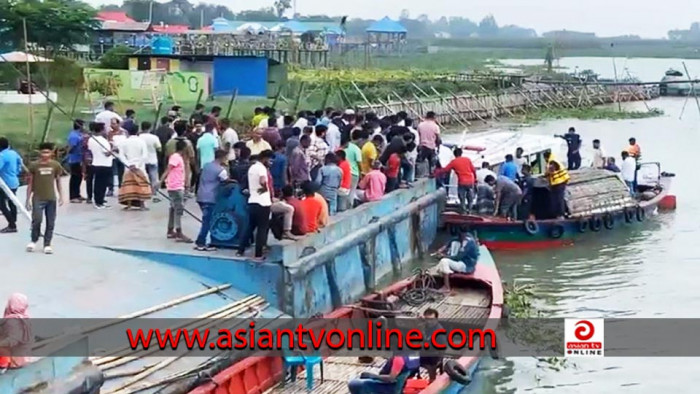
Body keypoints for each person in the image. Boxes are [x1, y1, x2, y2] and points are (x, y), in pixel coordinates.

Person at [25, 143, 64, 254]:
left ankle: (47, 244)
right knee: (37, 220)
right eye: (43, 152)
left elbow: (58, 181)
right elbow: (30, 183)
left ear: (51, 153)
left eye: (47, 152)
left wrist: (61, 196)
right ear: (39, 153)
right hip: (38, 197)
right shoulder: (34, 166)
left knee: (50, 222)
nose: (45, 155)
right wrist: (27, 199)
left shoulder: (55, 165)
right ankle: (34, 239)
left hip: (51, 198)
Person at [237, 150, 273, 259]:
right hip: (263, 202)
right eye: (270, 160)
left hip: (252, 201)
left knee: (249, 227)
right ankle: (258, 254)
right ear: (265, 158)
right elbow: (262, 181)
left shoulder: (252, 168)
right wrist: (265, 190)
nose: (271, 163)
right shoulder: (262, 168)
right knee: (262, 228)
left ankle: (240, 250)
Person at [195, 149, 229, 251]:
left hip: (201, 195)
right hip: (210, 197)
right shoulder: (221, 170)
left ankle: (206, 240)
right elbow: (226, 181)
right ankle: (201, 242)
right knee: (208, 221)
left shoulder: (206, 165)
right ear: (222, 157)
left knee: (207, 219)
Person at [160, 139, 192, 243]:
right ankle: (179, 232)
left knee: (173, 208)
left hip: (176, 186)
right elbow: (168, 170)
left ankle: (170, 230)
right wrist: (160, 181)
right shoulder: (175, 157)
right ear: (184, 149)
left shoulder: (179, 158)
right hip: (176, 187)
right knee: (179, 209)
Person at [118, 124, 151, 210]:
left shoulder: (124, 142)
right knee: (141, 185)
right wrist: (137, 165)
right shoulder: (141, 141)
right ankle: (142, 205)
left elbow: (121, 155)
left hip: (128, 166)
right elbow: (144, 155)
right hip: (140, 167)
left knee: (128, 185)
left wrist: (128, 164)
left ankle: (129, 205)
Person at [348, 355, 420, 394]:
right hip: (402, 384)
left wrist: (371, 376)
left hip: (391, 388)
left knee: (353, 382)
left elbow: (391, 379)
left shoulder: (399, 358)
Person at [434, 147, 477, 214]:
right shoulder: (467, 160)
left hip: (462, 181)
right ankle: (470, 211)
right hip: (470, 181)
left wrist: (436, 172)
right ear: (461, 153)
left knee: (462, 198)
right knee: (470, 198)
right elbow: (473, 170)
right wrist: (475, 179)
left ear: (454, 154)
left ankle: (464, 212)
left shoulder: (454, 162)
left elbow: (445, 170)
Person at [0, 293, 33, 371]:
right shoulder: (25, 319)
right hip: (24, 357)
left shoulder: (12, 321)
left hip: (14, 361)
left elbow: (12, 340)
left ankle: (3, 367)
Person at [165, 121, 196, 196]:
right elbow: (192, 157)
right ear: (185, 130)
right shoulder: (188, 143)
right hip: (185, 169)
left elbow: (167, 155)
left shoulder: (170, 142)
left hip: (172, 169)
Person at [88, 122, 114, 209]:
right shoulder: (103, 141)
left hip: (96, 163)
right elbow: (107, 153)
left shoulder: (91, 139)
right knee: (102, 185)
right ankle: (99, 202)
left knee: (98, 184)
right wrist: (113, 149)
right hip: (104, 164)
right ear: (102, 130)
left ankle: (100, 200)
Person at [419, 308, 446, 382]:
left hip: (433, 354)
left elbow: (442, 348)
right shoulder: (424, 326)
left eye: (432, 319)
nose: (429, 322)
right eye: (427, 319)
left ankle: (432, 380)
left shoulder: (439, 331)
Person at [139, 121, 162, 202]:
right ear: (150, 128)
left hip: (142, 160)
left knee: (143, 176)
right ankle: (154, 191)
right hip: (152, 159)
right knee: (154, 176)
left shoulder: (139, 137)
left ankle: (144, 190)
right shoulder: (154, 137)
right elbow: (159, 148)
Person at [543, 151, 569, 219]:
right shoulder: (554, 159)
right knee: (557, 198)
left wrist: (546, 174)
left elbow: (551, 170)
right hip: (558, 182)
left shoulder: (552, 161)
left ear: (546, 157)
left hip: (559, 182)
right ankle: (559, 213)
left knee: (559, 199)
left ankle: (561, 214)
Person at [66, 120, 86, 203]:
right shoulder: (74, 136)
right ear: (80, 126)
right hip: (74, 159)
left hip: (79, 158)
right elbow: (71, 147)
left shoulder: (79, 134)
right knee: (75, 177)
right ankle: (73, 196)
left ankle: (77, 194)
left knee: (79, 177)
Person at [345, 130, 364, 206]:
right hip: (353, 173)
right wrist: (361, 173)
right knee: (351, 192)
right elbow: (359, 163)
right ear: (360, 139)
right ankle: (349, 206)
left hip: (344, 171)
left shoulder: (345, 146)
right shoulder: (356, 149)